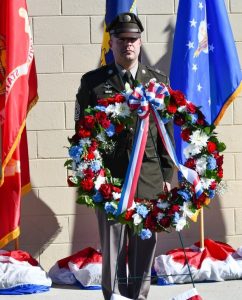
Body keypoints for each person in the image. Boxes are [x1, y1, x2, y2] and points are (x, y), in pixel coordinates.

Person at [74, 12, 175, 300]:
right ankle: (115, 297)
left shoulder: (158, 82)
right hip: (111, 180)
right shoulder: (93, 83)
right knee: (113, 247)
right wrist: (92, 177)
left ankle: (140, 297)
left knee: (145, 245)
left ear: (140, 43)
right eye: (121, 39)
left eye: (133, 39)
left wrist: (168, 177)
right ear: (112, 43)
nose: (127, 45)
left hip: (149, 178)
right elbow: (83, 134)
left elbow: (165, 133)